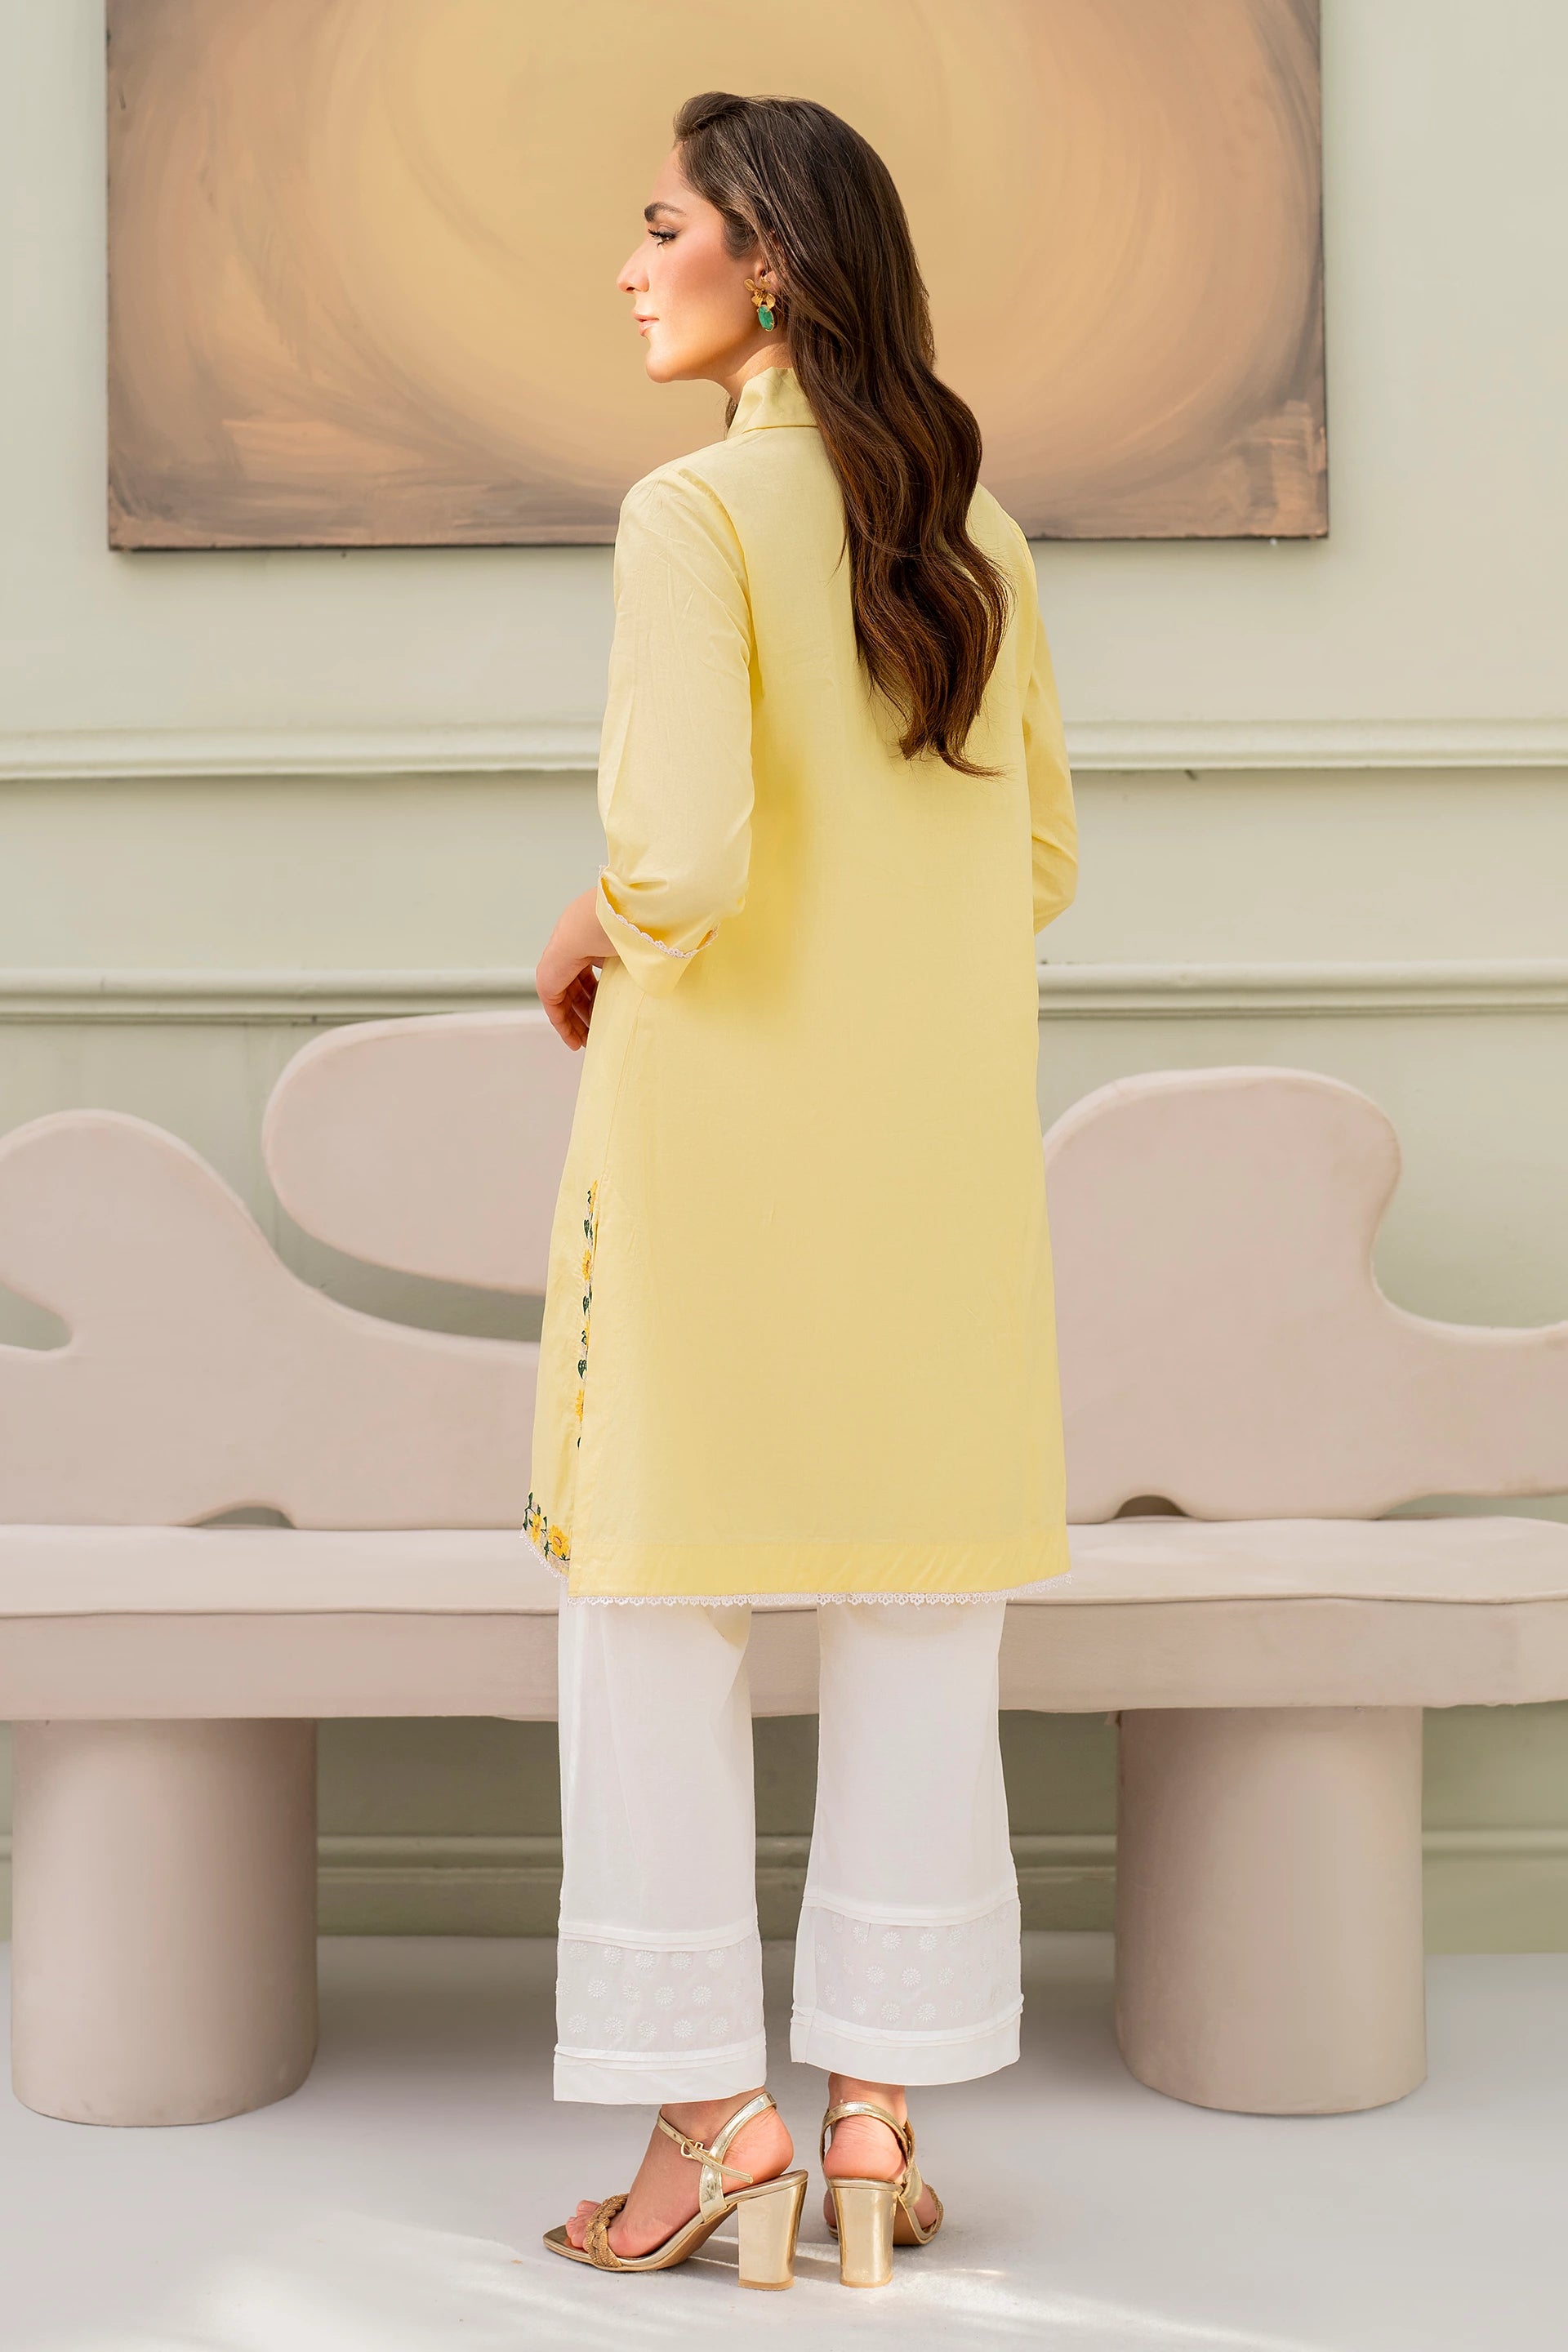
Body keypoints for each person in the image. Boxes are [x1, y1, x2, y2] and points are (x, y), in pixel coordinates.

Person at [529, 90, 1077, 2290]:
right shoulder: (975, 531)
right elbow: (1040, 861)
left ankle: (709, 2126)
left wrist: (589, 925)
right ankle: (874, 2116)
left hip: (717, 1144)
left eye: (661, 227)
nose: (629, 266)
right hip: (935, 1154)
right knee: (921, 1599)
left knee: (656, 1611)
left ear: (769, 262)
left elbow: (684, 859)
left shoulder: (691, 515)